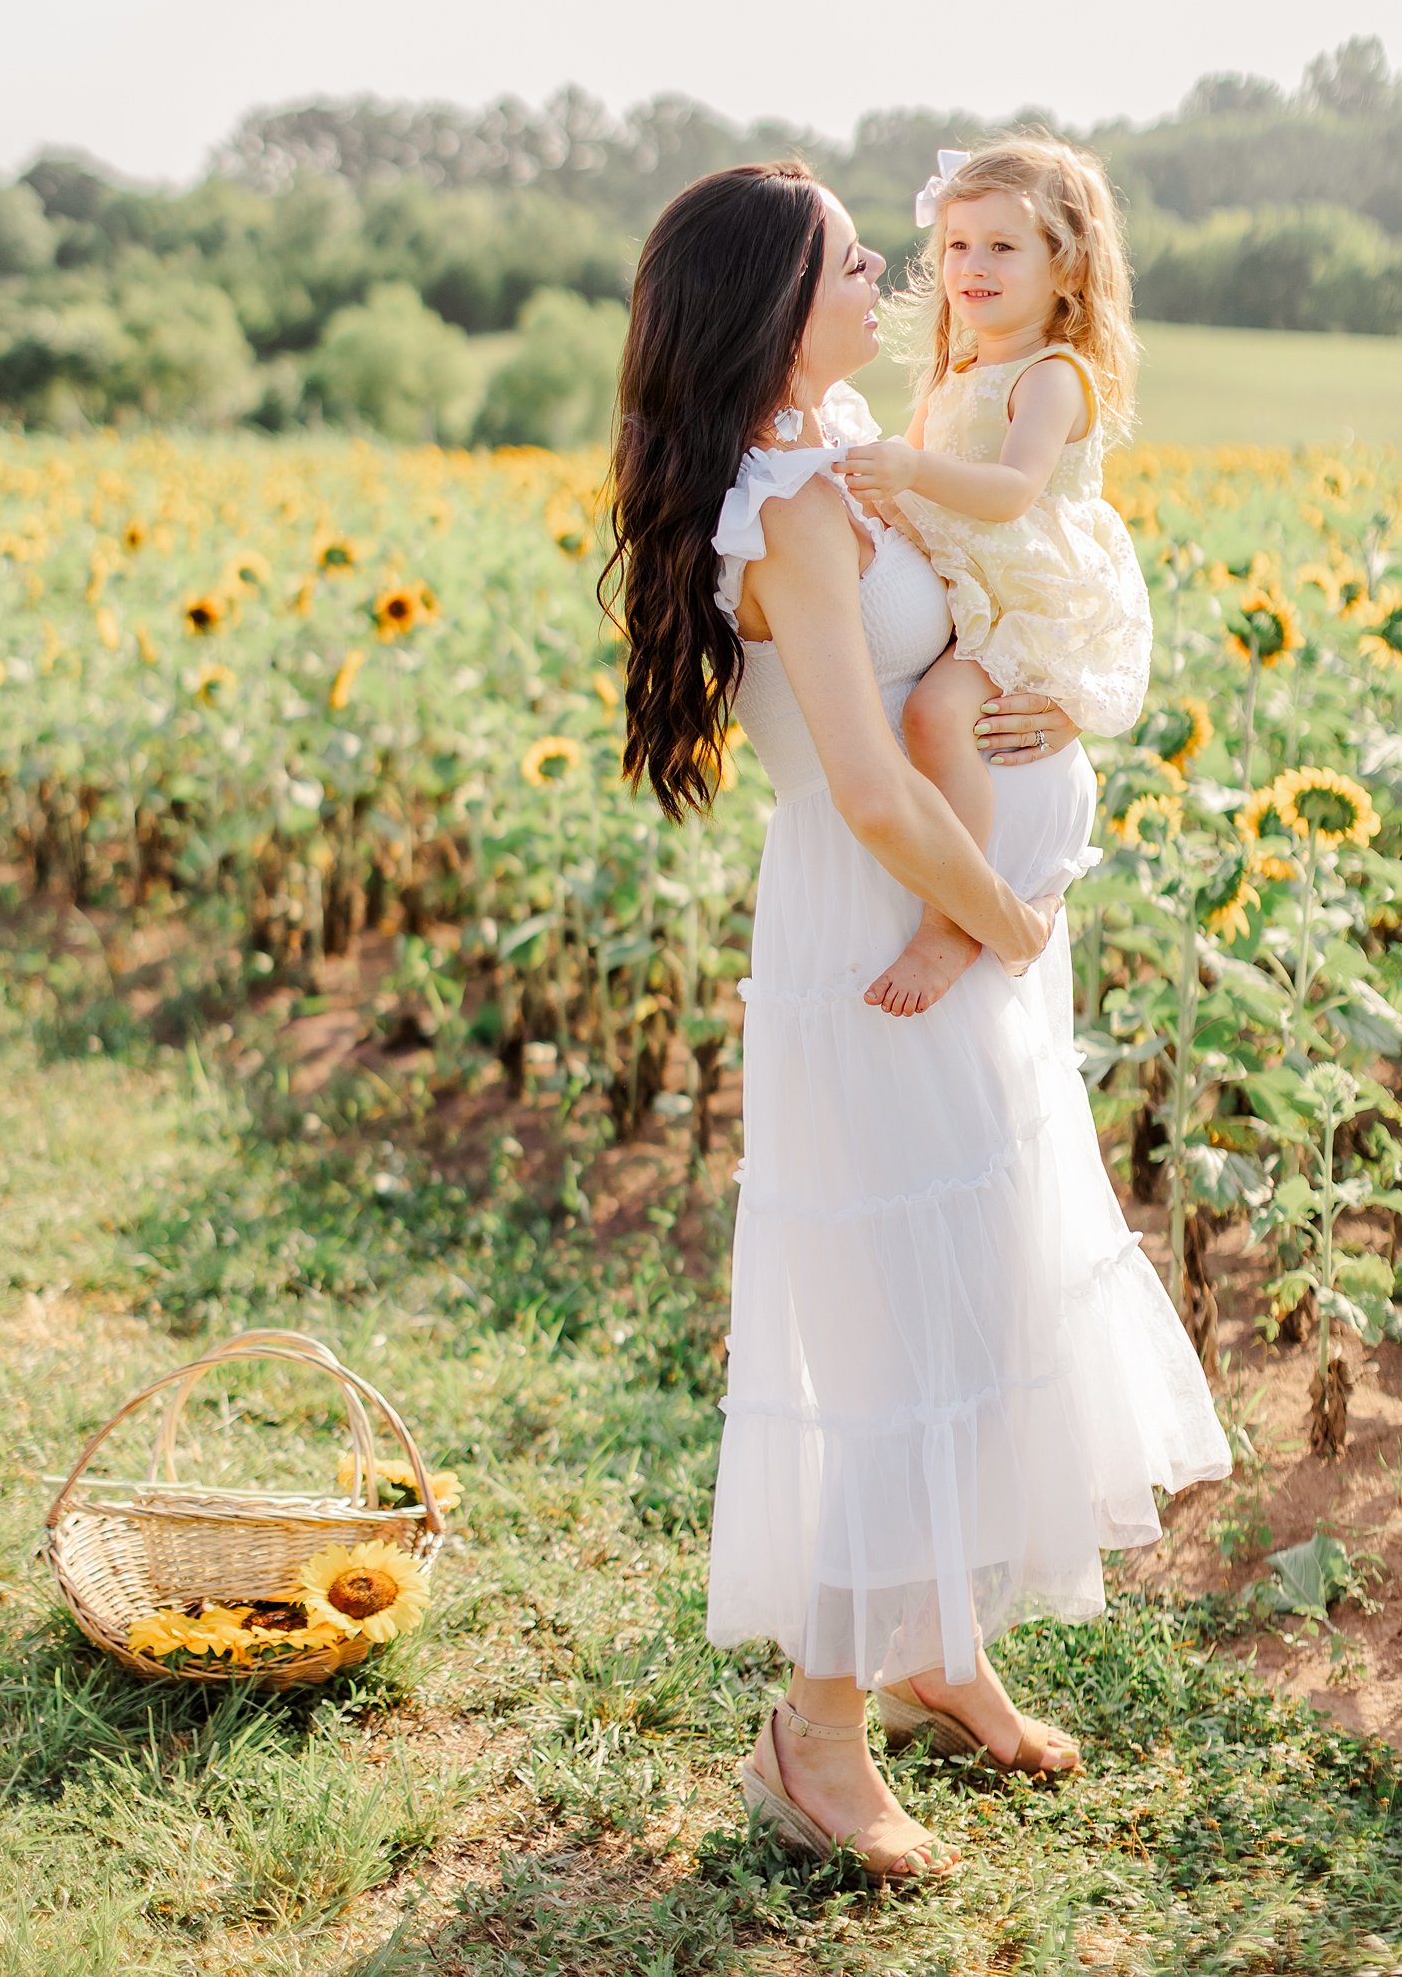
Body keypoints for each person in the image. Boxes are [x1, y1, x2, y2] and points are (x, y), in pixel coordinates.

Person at [600, 161, 1231, 1887]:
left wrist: (1040, 697)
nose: (894, 278)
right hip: (888, 928)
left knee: (985, 1279)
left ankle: (939, 1645)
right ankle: (813, 1736)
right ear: (775, 308)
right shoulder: (784, 511)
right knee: (897, 1337)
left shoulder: (852, 439)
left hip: (953, 911)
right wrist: (1001, 914)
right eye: (856, 262)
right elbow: (869, 785)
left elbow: (984, 589)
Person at [833, 138, 1153, 1019]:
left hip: (1027, 599)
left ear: (1067, 268)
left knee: (937, 714)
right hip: (978, 587)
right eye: (957, 245)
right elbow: (927, 512)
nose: (971, 265)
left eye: (1002, 246)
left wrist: (906, 472)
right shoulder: (959, 375)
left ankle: (955, 917)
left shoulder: (1051, 376)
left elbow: (1011, 493)